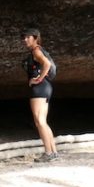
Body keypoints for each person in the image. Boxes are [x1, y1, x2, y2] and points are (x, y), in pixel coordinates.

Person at [21, 28, 58, 162]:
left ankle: (48, 153)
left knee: (39, 121)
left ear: (35, 38)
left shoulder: (36, 51)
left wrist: (38, 79)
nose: (24, 40)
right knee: (43, 121)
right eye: (23, 37)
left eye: (27, 37)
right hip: (46, 88)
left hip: (40, 88)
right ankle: (53, 152)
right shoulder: (39, 50)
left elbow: (46, 64)